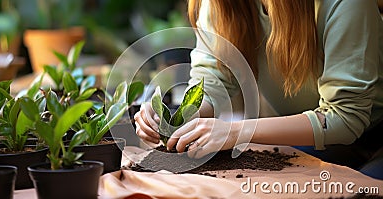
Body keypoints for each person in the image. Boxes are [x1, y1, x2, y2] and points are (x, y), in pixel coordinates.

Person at [134, 0, 383, 179]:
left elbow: (345, 119)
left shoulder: (346, 4)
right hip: (306, 140)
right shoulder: (222, 5)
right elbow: (211, 84)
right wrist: (174, 120)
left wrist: (237, 132)